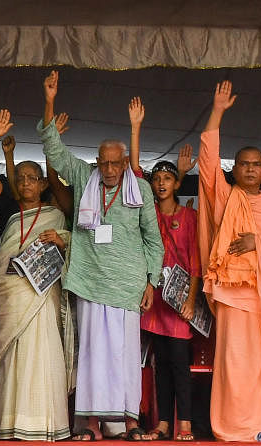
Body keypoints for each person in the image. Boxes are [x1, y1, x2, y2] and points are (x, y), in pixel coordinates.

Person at [38, 71, 163, 441]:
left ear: (125, 162)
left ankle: (131, 423)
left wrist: (151, 282)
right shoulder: (84, 176)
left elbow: (154, 241)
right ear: (97, 161)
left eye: (115, 164)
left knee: (125, 355)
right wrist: (49, 102)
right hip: (90, 279)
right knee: (91, 355)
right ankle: (90, 425)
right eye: (103, 163)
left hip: (127, 284)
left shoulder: (140, 188)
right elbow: (53, 150)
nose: (108, 170)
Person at [198, 81, 261, 442]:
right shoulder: (226, 199)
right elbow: (208, 163)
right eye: (245, 164)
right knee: (233, 365)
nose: (252, 170)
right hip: (233, 297)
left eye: (257, 165)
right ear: (236, 169)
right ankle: (232, 427)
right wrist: (218, 112)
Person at [0, 109, 73, 441]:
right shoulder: (8, 208)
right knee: (10, 360)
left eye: (32, 178)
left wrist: (63, 239)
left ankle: (44, 423)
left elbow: (77, 243)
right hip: (8, 295)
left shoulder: (56, 214)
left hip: (42, 298)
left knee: (43, 353)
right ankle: (10, 424)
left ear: (43, 183)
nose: (25, 183)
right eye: (20, 178)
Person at [126, 96, 202, 442]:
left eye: (167, 179)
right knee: (159, 365)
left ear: (176, 183)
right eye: (156, 179)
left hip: (179, 300)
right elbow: (135, 170)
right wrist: (136, 128)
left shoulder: (189, 217)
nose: (160, 183)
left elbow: (195, 262)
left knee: (179, 364)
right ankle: (163, 424)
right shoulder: (148, 213)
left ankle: (184, 423)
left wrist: (190, 299)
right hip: (154, 298)